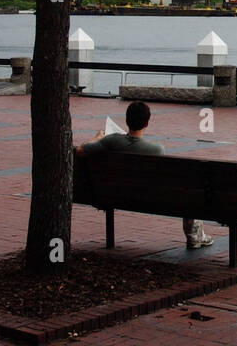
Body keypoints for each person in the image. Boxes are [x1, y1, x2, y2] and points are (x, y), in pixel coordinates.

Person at [76, 101, 214, 249]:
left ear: (127, 120)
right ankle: (195, 237)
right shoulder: (156, 149)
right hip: (152, 200)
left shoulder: (112, 141)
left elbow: (80, 151)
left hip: (112, 194)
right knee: (190, 192)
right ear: (147, 123)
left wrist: (97, 138)